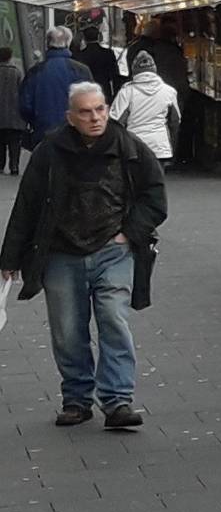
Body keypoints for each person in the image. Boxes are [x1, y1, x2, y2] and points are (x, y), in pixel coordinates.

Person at [0, 81, 168, 430]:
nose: (95, 117)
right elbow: (28, 204)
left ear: (107, 109)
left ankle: (117, 400)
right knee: (67, 331)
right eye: (85, 112)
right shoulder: (50, 151)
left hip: (113, 251)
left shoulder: (129, 147)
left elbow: (155, 196)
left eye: (100, 109)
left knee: (113, 320)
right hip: (61, 255)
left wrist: (128, 233)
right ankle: (76, 399)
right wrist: (10, 258)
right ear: (70, 117)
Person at [109, 53, 181, 173]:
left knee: (135, 182)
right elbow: (175, 121)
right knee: (156, 182)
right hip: (159, 147)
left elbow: (116, 122)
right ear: (155, 70)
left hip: (133, 147)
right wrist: (171, 146)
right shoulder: (169, 91)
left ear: (134, 70)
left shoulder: (127, 92)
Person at [22, 27, 88, 139]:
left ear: (47, 44)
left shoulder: (35, 72)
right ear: (68, 43)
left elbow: (25, 105)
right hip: (75, 134)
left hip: (43, 133)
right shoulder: (81, 71)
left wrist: (36, 122)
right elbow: (90, 102)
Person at [74, 26, 121, 96]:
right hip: (104, 89)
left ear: (84, 38)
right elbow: (115, 75)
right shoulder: (108, 53)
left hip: (86, 91)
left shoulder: (80, 55)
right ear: (98, 37)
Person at [0, 47, 25, 176]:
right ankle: (14, 166)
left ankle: (0, 165)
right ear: (10, 57)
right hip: (15, 116)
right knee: (14, 143)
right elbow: (23, 92)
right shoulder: (17, 73)